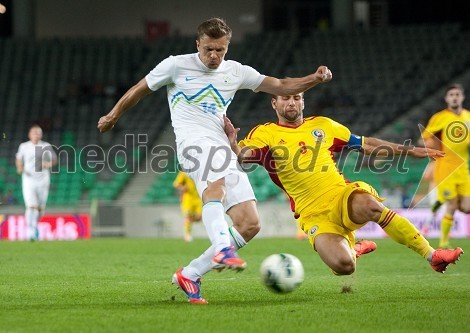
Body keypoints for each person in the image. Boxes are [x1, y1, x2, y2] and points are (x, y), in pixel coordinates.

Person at [97, 18, 332, 304]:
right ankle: (222, 246)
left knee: (249, 223)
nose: (214, 56)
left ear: (227, 47)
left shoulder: (236, 72)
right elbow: (140, 89)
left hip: (221, 146)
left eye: (220, 50)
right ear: (198, 44)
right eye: (208, 49)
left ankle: (191, 273)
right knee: (216, 185)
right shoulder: (175, 65)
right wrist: (113, 115)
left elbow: (281, 85)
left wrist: (314, 79)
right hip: (192, 143)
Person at [223, 91, 464, 278]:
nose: (292, 103)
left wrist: (410, 151)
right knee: (344, 266)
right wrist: (236, 147)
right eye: (285, 98)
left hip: (341, 195)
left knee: (370, 206)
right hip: (312, 213)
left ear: (303, 102)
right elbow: (246, 155)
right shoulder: (265, 133)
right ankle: (353, 250)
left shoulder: (324, 126)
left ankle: (432, 254)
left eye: (297, 98)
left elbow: (366, 144)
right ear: (274, 104)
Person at [421, 83, 470, 248]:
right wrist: (433, 146)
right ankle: (443, 244)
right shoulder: (439, 117)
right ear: (447, 98)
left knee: (468, 208)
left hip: (464, 169)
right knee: (452, 206)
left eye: (457, 94)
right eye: (451, 94)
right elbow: (426, 137)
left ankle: (441, 199)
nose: (454, 97)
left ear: (462, 97)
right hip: (445, 168)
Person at [15, 125, 57, 241]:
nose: (36, 134)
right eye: (34, 132)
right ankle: (30, 231)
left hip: (43, 179)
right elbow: (19, 158)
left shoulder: (46, 146)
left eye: (38, 132)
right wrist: (19, 167)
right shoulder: (24, 146)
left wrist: (46, 164)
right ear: (29, 134)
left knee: (40, 209)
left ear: (41, 135)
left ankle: (35, 226)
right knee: (30, 206)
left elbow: (54, 160)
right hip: (28, 179)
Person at [173, 171, 202, 242]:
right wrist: (182, 188)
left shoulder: (200, 171)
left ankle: (187, 221)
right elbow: (176, 184)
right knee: (188, 215)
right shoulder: (184, 172)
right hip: (188, 198)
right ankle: (187, 235)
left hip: (198, 198)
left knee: (199, 218)